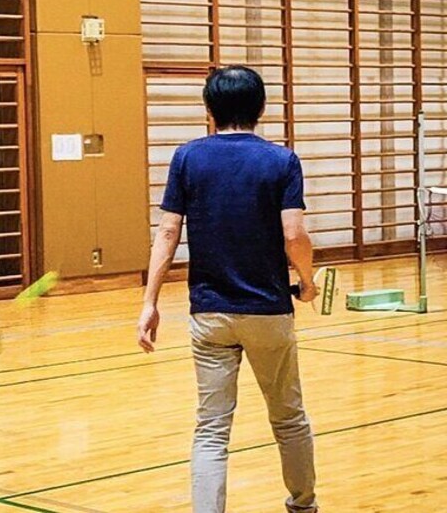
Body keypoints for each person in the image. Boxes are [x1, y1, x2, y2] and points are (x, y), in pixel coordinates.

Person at [136, 66, 319, 513]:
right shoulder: (281, 161)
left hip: (209, 313)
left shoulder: (187, 158)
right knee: (289, 418)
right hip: (269, 310)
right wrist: (308, 282)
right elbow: (293, 234)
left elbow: (166, 232)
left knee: (211, 428)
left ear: (208, 110)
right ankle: (303, 505)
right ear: (261, 108)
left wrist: (149, 303)